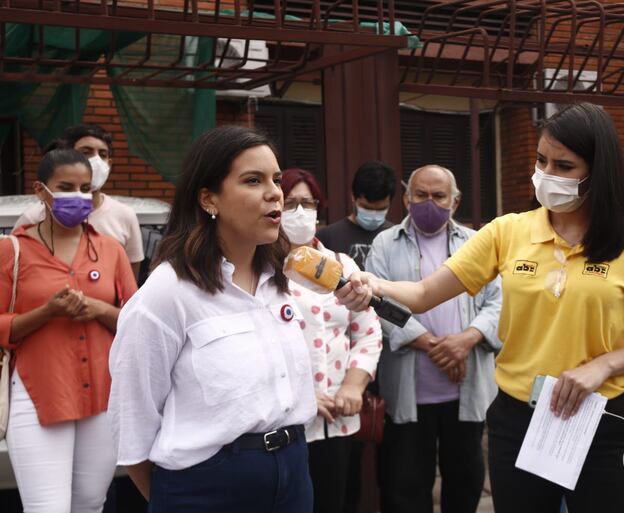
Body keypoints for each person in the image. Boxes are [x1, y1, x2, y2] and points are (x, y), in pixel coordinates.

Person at [337, 103, 624, 513]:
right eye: (541, 160)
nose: (546, 173)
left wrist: (604, 366)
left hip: (601, 419)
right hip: (518, 418)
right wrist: (372, 282)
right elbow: (423, 293)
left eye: (564, 165)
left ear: (598, 171)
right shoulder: (509, 230)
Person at [107, 126, 321, 513]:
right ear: (209, 198)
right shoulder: (167, 292)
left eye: (276, 179)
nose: (275, 192)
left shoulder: (282, 281)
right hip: (206, 488)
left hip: (293, 473)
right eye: (253, 180)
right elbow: (132, 419)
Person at [0, 148, 138, 513]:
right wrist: (47, 312)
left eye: (85, 189)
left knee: (91, 502)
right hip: (39, 392)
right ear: (41, 191)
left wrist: (99, 310)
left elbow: (137, 321)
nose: (78, 197)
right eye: (66, 187)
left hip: (103, 396)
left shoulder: (110, 251)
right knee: (47, 507)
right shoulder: (12, 250)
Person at [365, 164, 502, 513]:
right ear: (407, 198)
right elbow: (378, 305)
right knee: (406, 487)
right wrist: (434, 345)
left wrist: (467, 340)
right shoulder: (384, 243)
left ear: (455, 202)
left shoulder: (478, 242)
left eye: (439, 196)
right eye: (421, 195)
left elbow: (500, 300)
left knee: (466, 481)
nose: (430, 203)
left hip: (466, 386)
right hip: (410, 391)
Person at [279, 167, 383, 513]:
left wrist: (354, 386)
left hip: (340, 419)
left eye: (307, 204)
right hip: (288, 426)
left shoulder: (340, 264)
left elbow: (368, 330)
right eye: (290, 202)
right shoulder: (262, 271)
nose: (299, 212)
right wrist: (302, 397)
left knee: (340, 502)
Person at [15, 124, 145, 277]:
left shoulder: (125, 215)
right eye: (86, 152)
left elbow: (129, 287)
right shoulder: (33, 217)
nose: (96, 160)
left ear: (109, 163)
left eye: (102, 154)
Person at [316, 160, 396, 269]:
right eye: (366, 207)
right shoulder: (327, 237)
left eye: (381, 209)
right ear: (353, 196)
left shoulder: (398, 237)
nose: (373, 215)